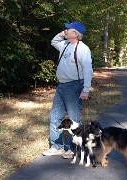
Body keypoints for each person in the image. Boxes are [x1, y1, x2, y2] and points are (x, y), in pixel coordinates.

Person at [42, 21, 93, 158]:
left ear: (75, 34)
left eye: (68, 29)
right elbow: (54, 41)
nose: (65, 30)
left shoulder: (83, 49)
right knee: (55, 116)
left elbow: (88, 70)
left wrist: (86, 90)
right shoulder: (64, 45)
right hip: (61, 86)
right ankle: (57, 146)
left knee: (74, 119)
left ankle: (72, 149)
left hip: (74, 86)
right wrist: (61, 34)